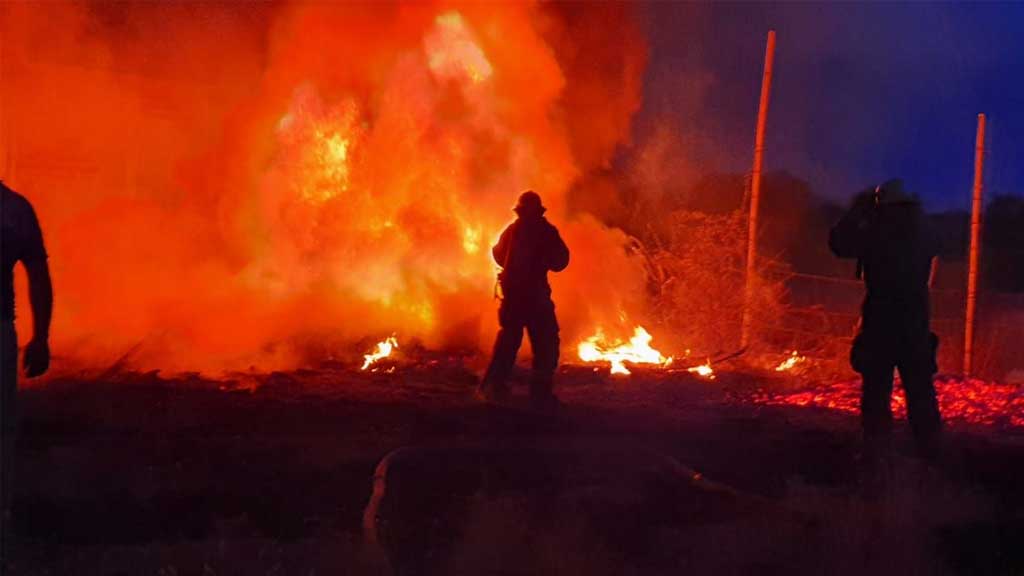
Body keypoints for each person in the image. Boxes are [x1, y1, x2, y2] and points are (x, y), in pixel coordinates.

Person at [829, 179, 942, 466]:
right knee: (921, 395)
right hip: (915, 322)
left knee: (876, 397)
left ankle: (877, 462)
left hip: (881, 321)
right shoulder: (923, 230)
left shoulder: (878, 230)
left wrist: (857, 210)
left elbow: (839, 243)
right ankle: (933, 462)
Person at [480, 191, 569, 409]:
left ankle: (493, 387)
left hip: (514, 298)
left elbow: (497, 253)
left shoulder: (513, 229)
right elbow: (560, 261)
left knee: (508, 343)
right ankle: (539, 395)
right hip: (535, 298)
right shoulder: (545, 231)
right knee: (546, 344)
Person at [1, 181, 52, 557]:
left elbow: (38, 275)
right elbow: (38, 275)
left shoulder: (14, 209)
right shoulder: (14, 209)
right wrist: (40, 338)